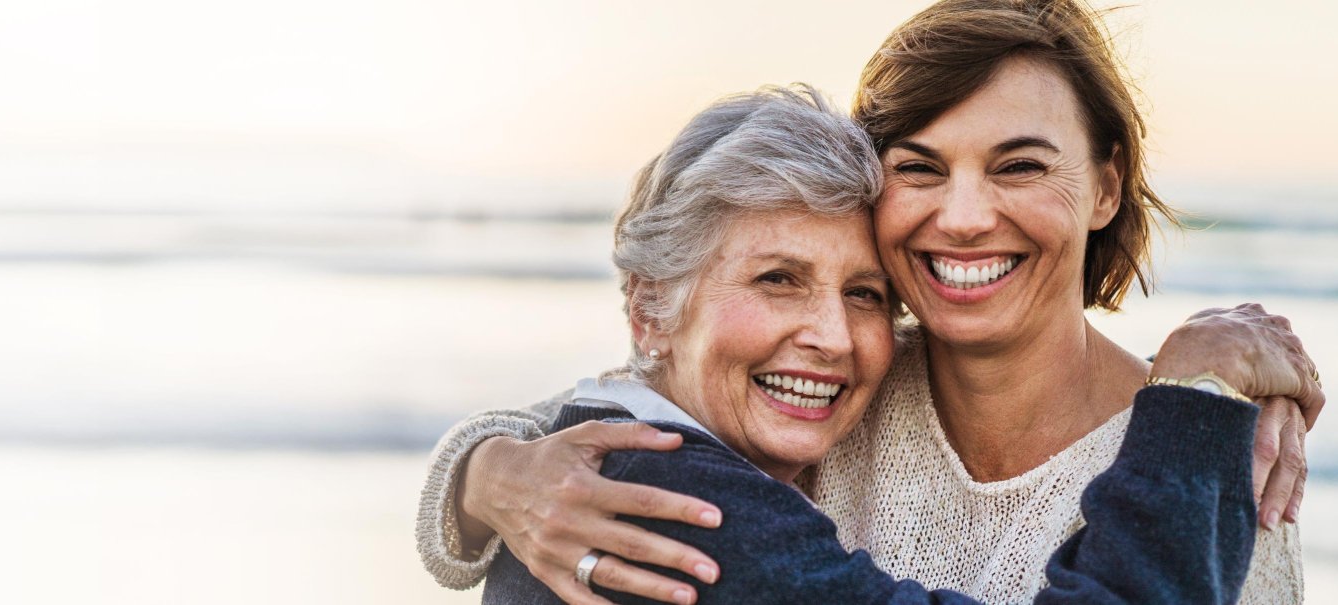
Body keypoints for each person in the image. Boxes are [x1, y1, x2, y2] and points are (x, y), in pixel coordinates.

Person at [416, 1, 1322, 603]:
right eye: (920, 168)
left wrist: (1194, 394)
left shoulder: (1208, 464)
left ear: (1106, 187)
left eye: (1020, 165)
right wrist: (483, 472)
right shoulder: (817, 402)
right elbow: (594, 431)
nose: (964, 217)